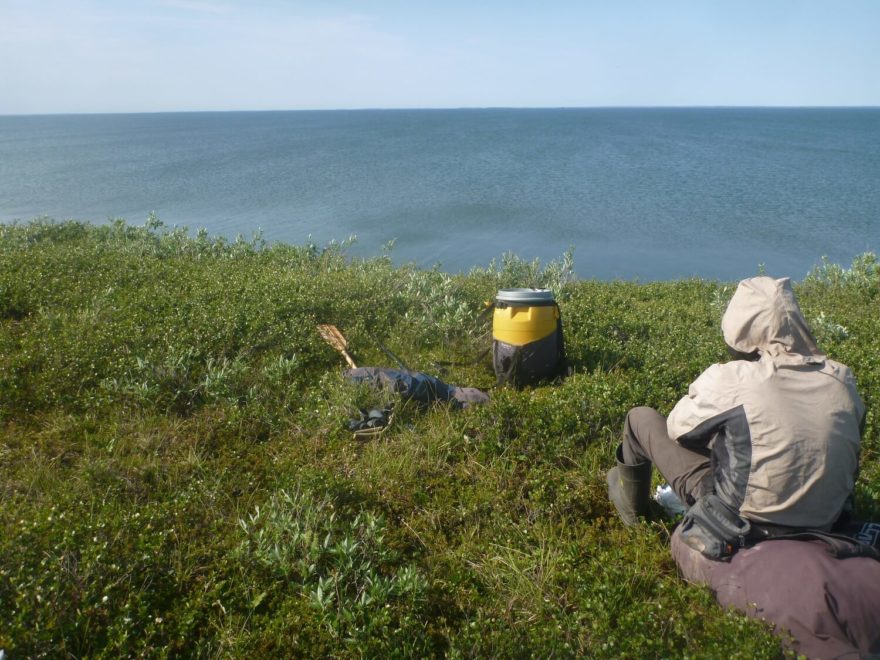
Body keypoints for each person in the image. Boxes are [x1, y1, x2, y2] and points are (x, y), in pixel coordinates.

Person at [606, 275, 880, 656]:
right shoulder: (842, 380)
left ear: (739, 330)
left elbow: (678, 427)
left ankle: (634, 518)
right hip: (828, 525)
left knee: (641, 418)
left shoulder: (733, 379)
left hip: (741, 527)